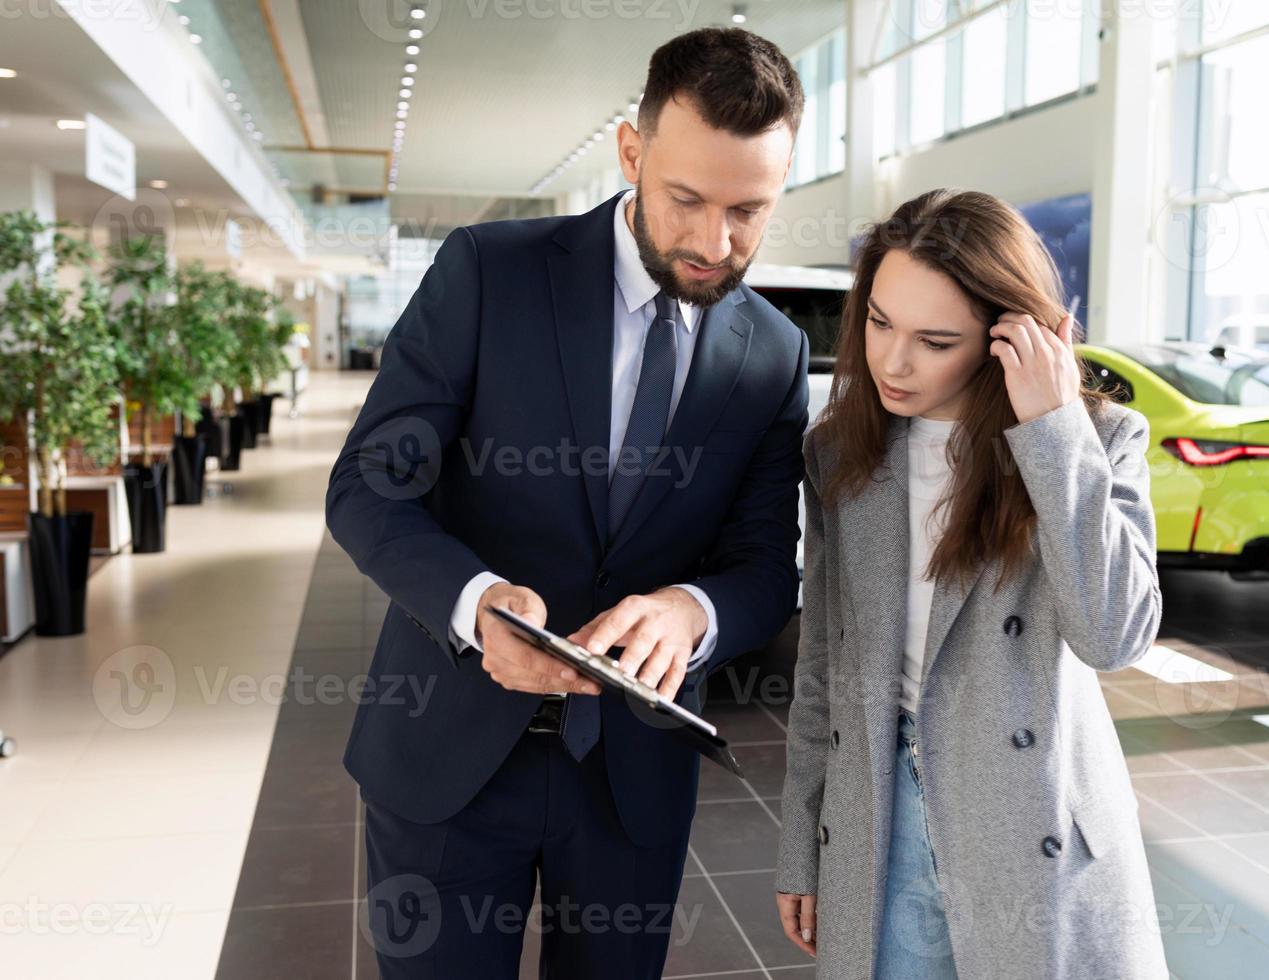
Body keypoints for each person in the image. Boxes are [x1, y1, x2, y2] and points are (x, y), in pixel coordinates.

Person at [326, 27, 809, 979]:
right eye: (687, 200)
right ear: (632, 153)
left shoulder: (774, 354)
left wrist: (693, 610)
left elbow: (763, 567)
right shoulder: (488, 272)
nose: (716, 243)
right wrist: (474, 603)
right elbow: (367, 487)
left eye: (749, 211)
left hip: (632, 785)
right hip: (447, 759)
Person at [773, 189, 1170, 979]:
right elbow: (823, 660)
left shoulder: (1097, 439)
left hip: (1029, 817)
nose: (893, 360)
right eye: (879, 322)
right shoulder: (841, 453)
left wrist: (1050, 432)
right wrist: (801, 838)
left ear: (1005, 337)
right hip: (879, 807)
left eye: (935, 339)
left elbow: (1114, 635)